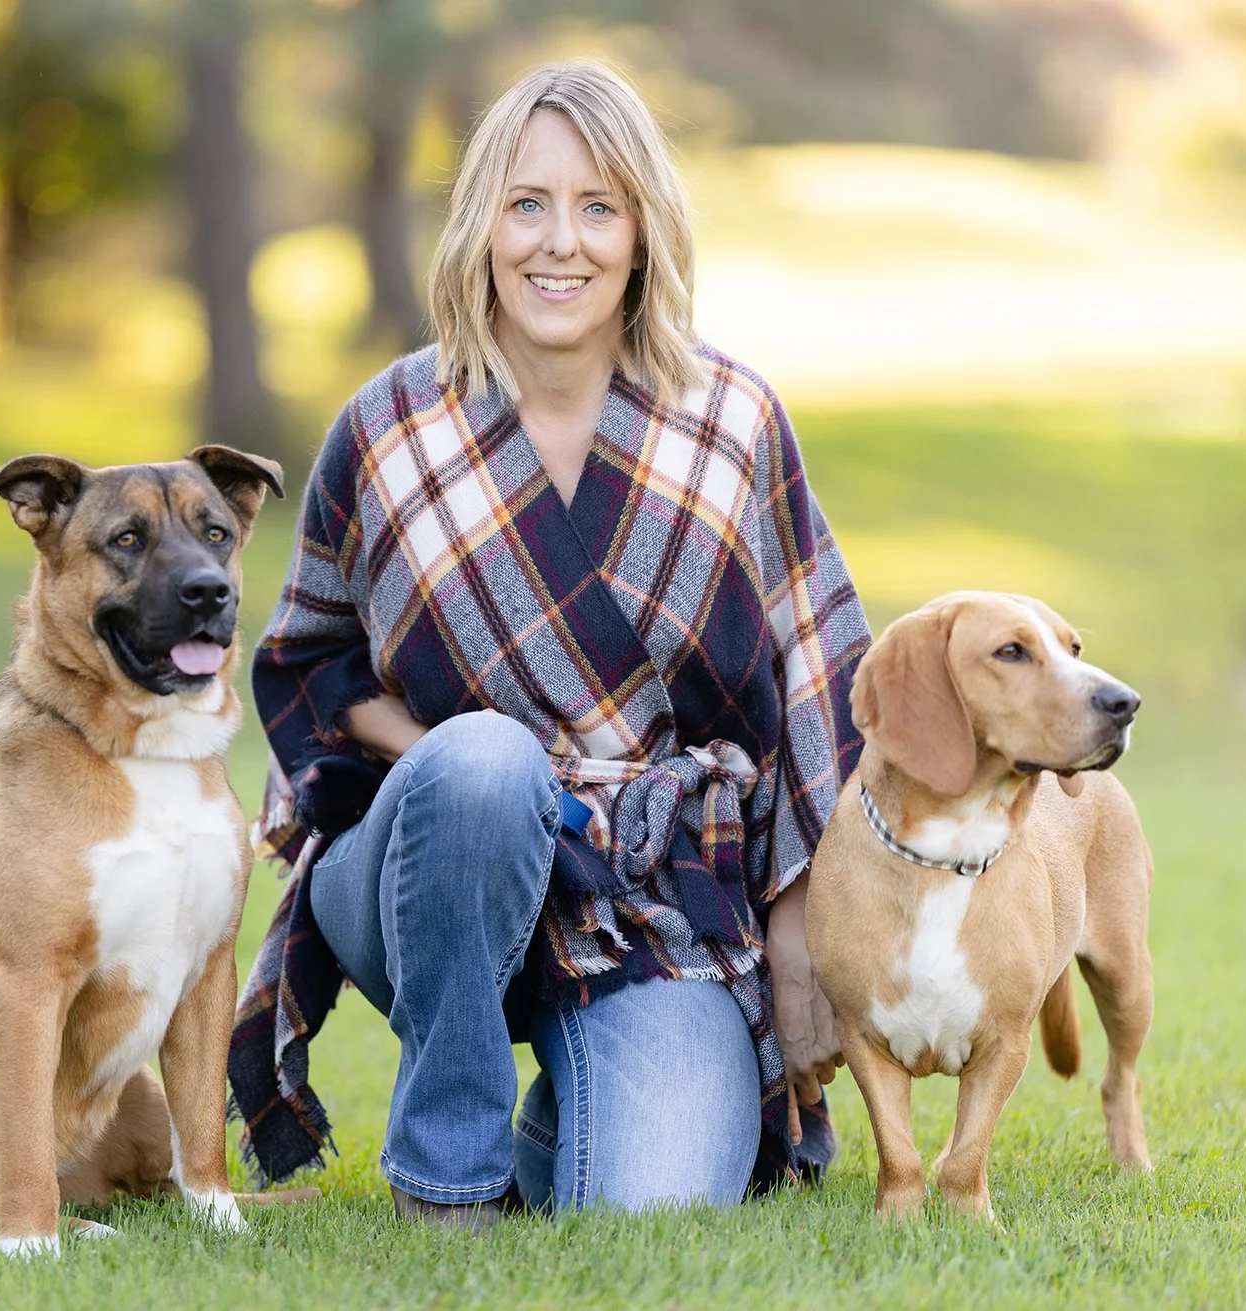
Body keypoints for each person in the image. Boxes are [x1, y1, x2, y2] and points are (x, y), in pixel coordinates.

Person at [226, 59, 871, 1230]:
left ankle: (570, 1122)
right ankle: (449, 1175)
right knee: (484, 767)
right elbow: (308, 662)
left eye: (596, 206)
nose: (557, 244)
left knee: (653, 1208)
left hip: (655, 898)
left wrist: (797, 936)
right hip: (429, 872)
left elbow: (817, 690)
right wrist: (460, 760)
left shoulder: (731, 422)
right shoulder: (390, 427)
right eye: (525, 203)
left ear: (641, 232)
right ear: (480, 223)